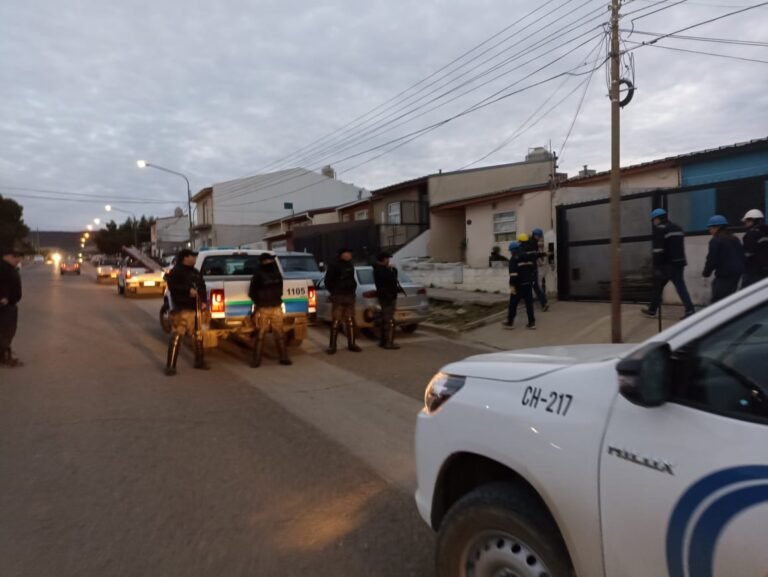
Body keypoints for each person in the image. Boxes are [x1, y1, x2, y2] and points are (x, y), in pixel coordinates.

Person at [641, 208, 696, 320]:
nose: (653, 222)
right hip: (679, 262)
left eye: (653, 220)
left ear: (657, 219)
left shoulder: (661, 229)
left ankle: (689, 309)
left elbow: (658, 250)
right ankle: (653, 309)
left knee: (661, 285)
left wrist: (656, 266)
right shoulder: (677, 228)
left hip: (666, 265)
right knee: (674, 286)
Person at [164, 248, 209, 376]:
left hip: (196, 309)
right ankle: (170, 366)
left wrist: (203, 300)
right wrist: (187, 291)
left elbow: (202, 286)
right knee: (177, 336)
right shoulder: (176, 271)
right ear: (185, 258)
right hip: (182, 308)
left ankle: (199, 362)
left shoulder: (195, 272)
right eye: (192, 257)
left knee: (198, 335)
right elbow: (173, 287)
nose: (194, 259)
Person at [248, 253, 291, 367]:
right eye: (266, 261)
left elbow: (280, 289)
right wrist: (260, 303)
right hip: (263, 308)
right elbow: (252, 292)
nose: (269, 262)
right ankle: (256, 360)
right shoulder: (258, 276)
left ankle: (284, 357)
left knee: (280, 333)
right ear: (262, 262)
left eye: (270, 260)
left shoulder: (277, 275)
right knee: (261, 334)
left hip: (276, 307)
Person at [324, 248, 362, 354]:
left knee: (350, 321)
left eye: (350, 253)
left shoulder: (350, 265)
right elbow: (328, 281)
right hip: (338, 296)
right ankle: (332, 346)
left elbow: (352, 279)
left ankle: (352, 344)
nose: (350, 255)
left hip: (349, 295)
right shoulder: (334, 265)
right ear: (342, 255)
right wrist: (334, 292)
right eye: (348, 253)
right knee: (336, 321)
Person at [702, 215, 745, 303]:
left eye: (711, 228)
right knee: (730, 299)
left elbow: (711, 259)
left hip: (724, 275)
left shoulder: (715, 240)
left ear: (717, 227)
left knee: (717, 302)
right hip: (736, 274)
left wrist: (706, 273)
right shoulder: (735, 238)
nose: (710, 231)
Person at [502, 241, 536, 330]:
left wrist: (512, 286)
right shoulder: (528, 257)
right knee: (529, 304)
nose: (510, 252)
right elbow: (533, 269)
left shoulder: (514, 259)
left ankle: (510, 322)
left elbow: (513, 275)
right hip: (528, 284)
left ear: (513, 250)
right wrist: (531, 280)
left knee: (513, 303)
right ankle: (531, 323)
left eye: (510, 251)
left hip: (518, 285)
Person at [0, 245, 24, 367]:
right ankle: (4, 358)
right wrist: (3, 297)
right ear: (8, 256)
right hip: (5, 306)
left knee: (8, 331)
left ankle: (5, 355)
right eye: (16, 257)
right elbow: (2, 283)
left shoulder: (8, 267)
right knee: (6, 331)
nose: (18, 260)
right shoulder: (3, 268)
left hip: (10, 304)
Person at [373, 252, 401, 350]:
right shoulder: (381, 270)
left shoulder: (380, 269)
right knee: (388, 320)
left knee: (385, 319)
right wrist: (393, 270)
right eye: (387, 259)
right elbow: (392, 278)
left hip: (386, 296)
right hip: (387, 297)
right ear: (382, 259)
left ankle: (383, 341)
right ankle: (388, 342)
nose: (388, 261)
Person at [741, 209, 768, 287]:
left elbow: (747, 254)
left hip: (753, 272)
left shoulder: (751, 234)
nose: (745, 224)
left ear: (752, 220)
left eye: (746, 221)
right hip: (765, 271)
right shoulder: (766, 232)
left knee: (745, 296)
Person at [526, 228, 549, 311]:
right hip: (531, 268)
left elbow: (533, 255)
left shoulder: (530, 243)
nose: (539, 238)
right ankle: (544, 303)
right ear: (536, 235)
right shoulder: (533, 243)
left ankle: (543, 303)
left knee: (532, 285)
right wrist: (543, 254)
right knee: (534, 286)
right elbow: (534, 255)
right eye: (539, 237)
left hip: (529, 268)